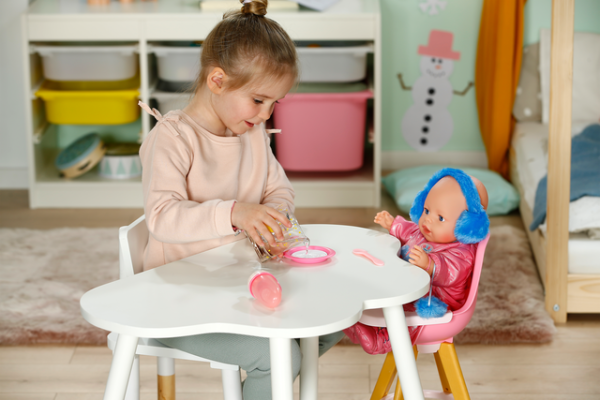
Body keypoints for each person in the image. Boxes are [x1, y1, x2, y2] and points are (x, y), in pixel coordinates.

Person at [137, 0, 344, 398]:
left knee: (331, 320)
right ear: (217, 81)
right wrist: (235, 213)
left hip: (236, 284)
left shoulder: (251, 134)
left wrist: (272, 218)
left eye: (274, 104)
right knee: (277, 358)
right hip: (176, 299)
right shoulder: (173, 138)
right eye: (258, 100)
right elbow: (162, 217)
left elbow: (278, 190)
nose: (266, 115)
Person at [343, 168, 489, 354]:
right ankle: (357, 323)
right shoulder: (425, 232)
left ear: (466, 226)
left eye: (440, 218)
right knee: (373, 291)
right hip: (408, 291)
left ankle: (379, 341)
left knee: (403, 320)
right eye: (426, 210)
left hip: (432, 303)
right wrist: (393, 224)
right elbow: (409, 230)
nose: (428, 220)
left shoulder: (462, 253)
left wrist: (430, 265)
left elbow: (453, 271)